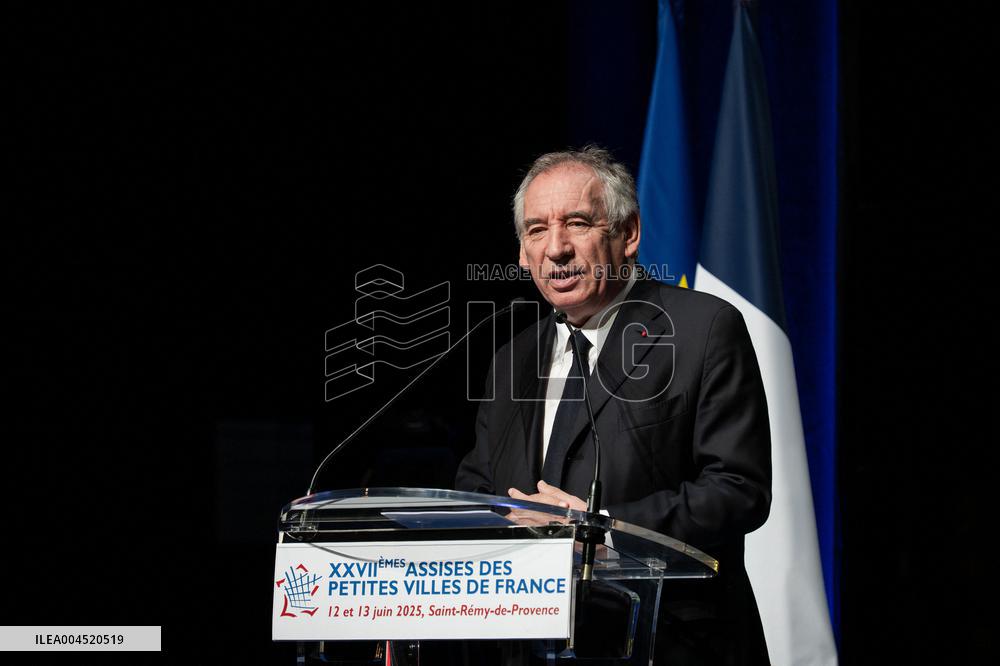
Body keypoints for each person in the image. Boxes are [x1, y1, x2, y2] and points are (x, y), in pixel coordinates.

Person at [456, 146, 772, 664]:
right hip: (529, 644)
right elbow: (478, 489)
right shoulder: (513, 359)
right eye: (536, 230)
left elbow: (738, 490)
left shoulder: (701, 328)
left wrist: (602, 530)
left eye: (576, 223)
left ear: (628, 235)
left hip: (667, 642)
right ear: (521, 252)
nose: (556, 249)